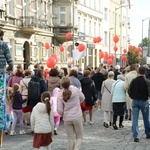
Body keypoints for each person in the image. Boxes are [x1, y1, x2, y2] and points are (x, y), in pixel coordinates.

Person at [57, 77, 85, 150]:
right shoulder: (75, 90)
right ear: (70, 83)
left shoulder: (60, 94)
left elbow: (59, 109)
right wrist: (77, 103)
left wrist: (63, 114)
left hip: (67, 118)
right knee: (79, 137)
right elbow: (83, 98)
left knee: (70, 138)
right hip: (77, 116)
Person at [128, 66, 150, 142]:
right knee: (146, 118)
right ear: (145, 73)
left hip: (135, 100)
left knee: (135, 119)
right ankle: (148, 133)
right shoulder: (147, 81)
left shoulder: (134, 80)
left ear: (138, 72)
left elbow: (129, 90)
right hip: (144, 101)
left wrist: (132, 96)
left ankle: (136, 136)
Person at [0, 29, 13, 147]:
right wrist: (12, 68)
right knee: (1, 99)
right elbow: (9, 59)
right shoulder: (3, 44)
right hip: (1, 74)